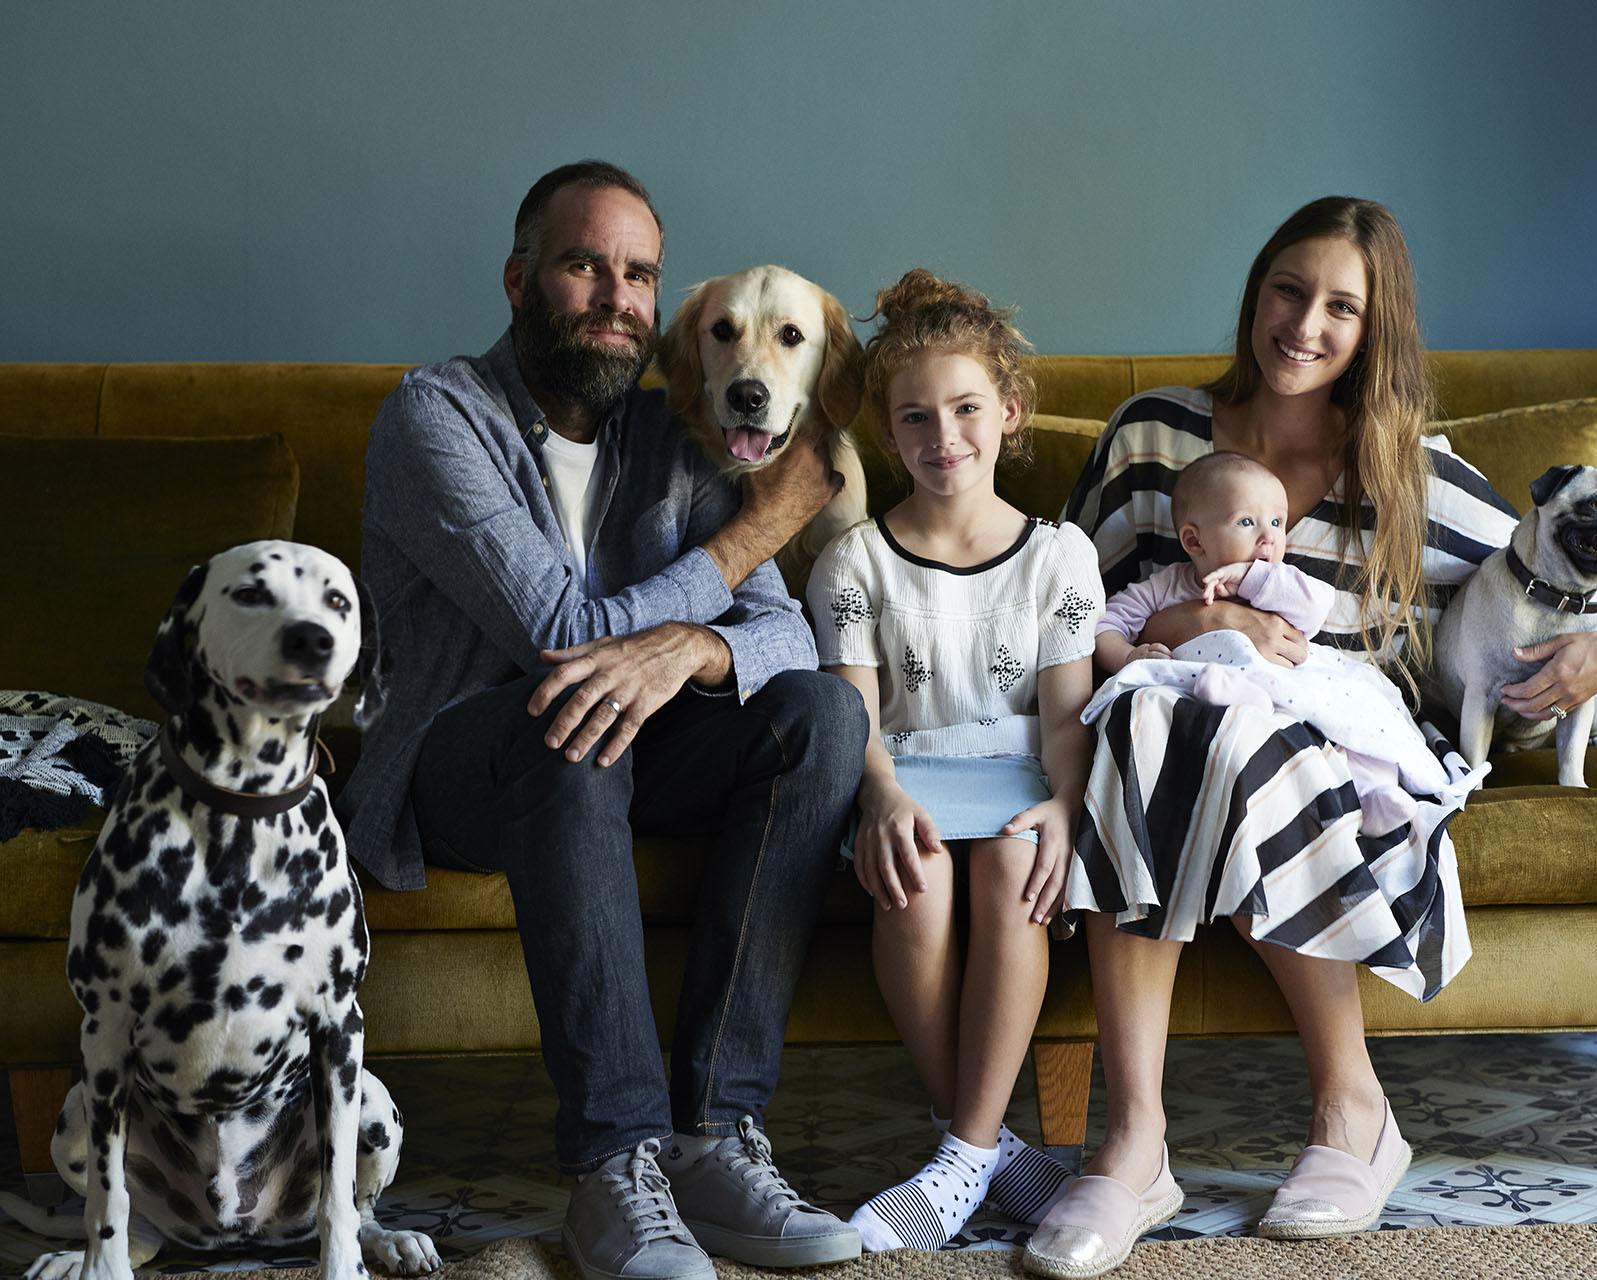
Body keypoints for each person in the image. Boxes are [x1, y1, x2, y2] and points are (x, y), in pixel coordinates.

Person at [1024, 197, 1597, 1277]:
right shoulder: (1154, 434)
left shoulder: (1409, 471)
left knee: (1250, 735)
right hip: (1161, 730)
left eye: (1341, 307)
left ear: (1374, 329)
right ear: (1255, 292)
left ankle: (1353, 1110)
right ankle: (1134, 1145)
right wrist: (1188, 627)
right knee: (1164, 714)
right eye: (1288, 290)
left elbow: (1557, 568)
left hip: (1334, 752)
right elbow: (1067, 606)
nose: (1304, 323)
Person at [344, 160, 867, 1280]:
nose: (616, 295)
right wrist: (742, 543)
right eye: (586, 264)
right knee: (571, 718)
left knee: (821, 712)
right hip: (459, 757)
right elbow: (564, 632)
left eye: (640, 274)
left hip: (620, 748)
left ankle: (713, 1134)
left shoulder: (674, 434)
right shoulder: (434, 415)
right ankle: (615, 1160)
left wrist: (704, 642)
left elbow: (785, 635)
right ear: (521, 278)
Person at [804, 269, 1102, 1251]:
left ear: (1008, 411)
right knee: (916, 875)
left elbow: (1064, 717)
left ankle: (961, 1154)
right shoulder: (855, 563)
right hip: (909, 776)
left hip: (1018, 777)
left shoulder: (1058, 558)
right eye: (917, 417)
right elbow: (855, 713)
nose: (945, 437)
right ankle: (990, 1151)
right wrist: (879, 796)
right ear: (887, 433)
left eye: (967, 408)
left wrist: (1066, 803)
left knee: (1017, 858)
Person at [1086, 449, 1455, 839]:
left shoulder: (1277, 582)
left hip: (1287, 691)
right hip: (1213, 695)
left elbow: (1314, 610)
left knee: (1353, 720)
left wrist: (1249, 579)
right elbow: (1103, 627)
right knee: (1170, 702)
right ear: (1194, 541)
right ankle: (1242, 702)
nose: (1268, 536)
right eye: (1246, 522)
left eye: (1277, 522)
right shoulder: (1165, 588)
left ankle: (1376, 793)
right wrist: (1129, 654)